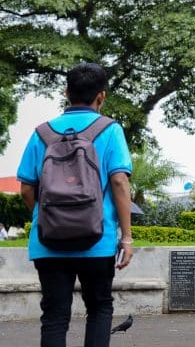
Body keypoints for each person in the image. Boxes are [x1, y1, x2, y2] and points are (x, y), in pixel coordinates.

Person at [17, 62, 133, 347]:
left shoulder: (41, 133)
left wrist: (45, 215)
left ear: (66, 92)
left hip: (49, 241)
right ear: (101, 96)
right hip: (98, 239)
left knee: (55, 316)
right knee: (99, 308)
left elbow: (26, 188)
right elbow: (119, 182)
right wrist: (127, 237)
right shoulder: (110, 130)